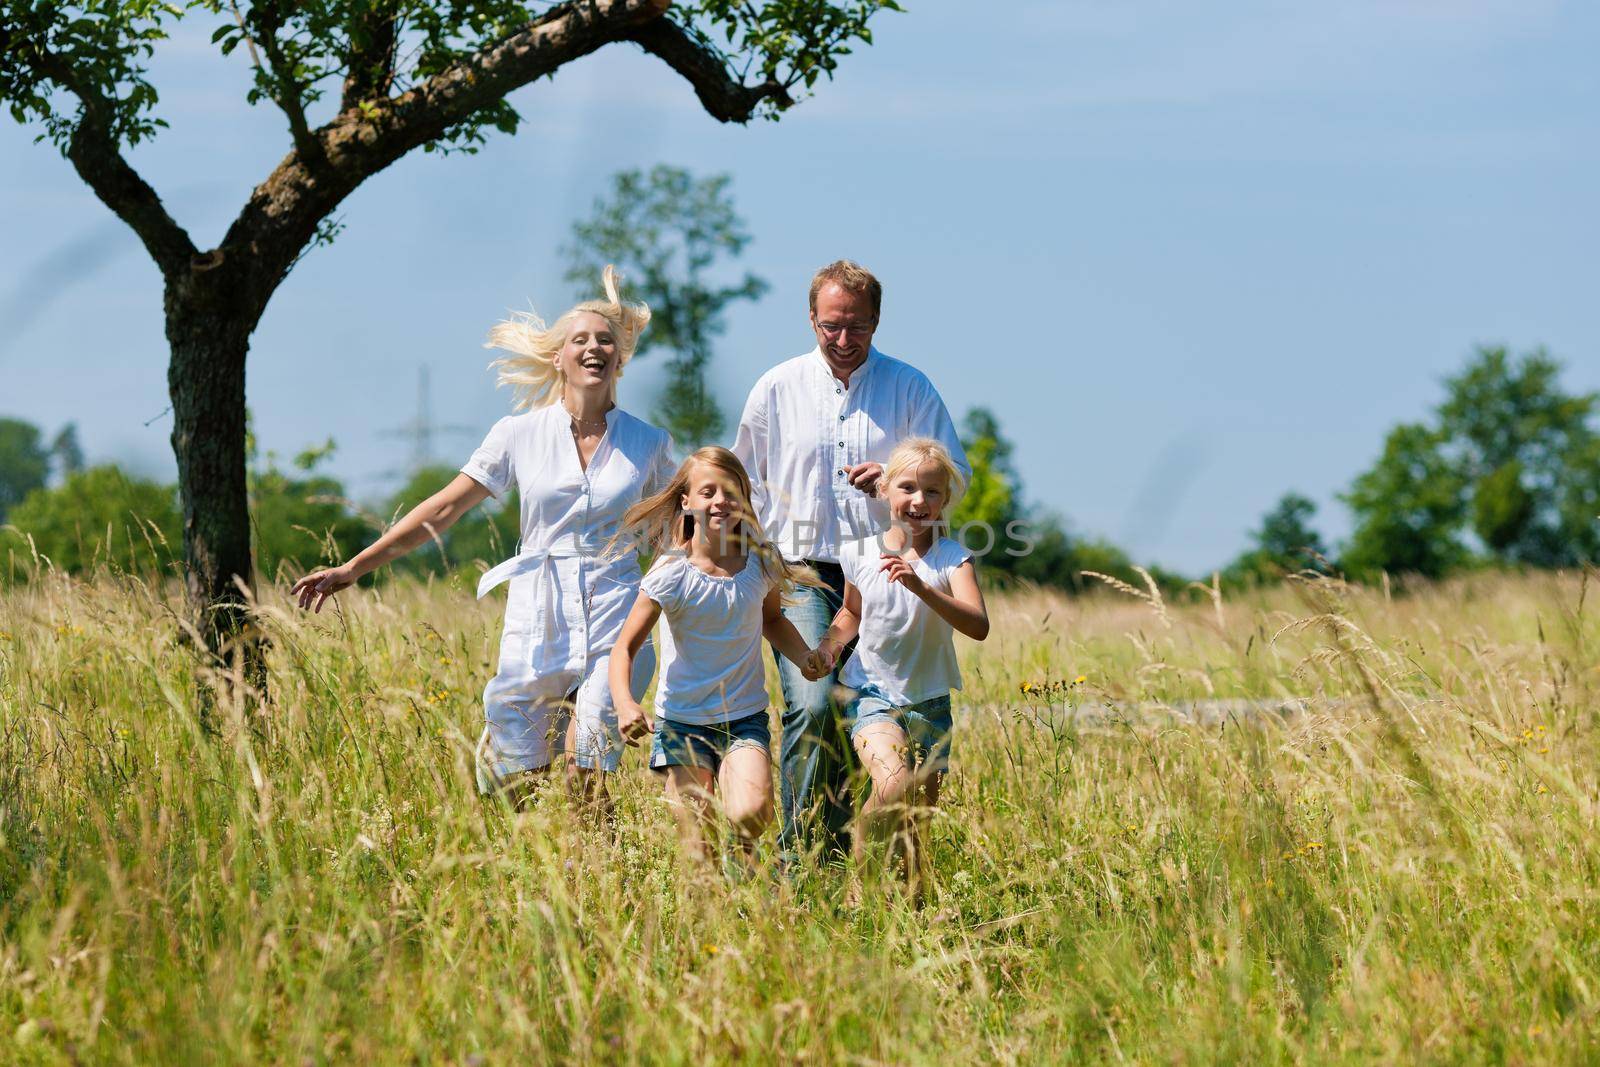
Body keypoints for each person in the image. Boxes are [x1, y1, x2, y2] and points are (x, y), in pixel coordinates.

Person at [291, 266, 674, 809]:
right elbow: (444, 508)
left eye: (605, 340)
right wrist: (353, 569)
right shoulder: (518, 433)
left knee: (584, 762)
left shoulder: (650, 442)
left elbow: (676, 537)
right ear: (558, 357)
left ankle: (598, 878)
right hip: (538, 609)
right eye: (580, 340)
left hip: (615, 607)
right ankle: (546, 877)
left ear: (619, 358)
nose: (594, 348)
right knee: (522, 784)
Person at [732, 260, 970, 863]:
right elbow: (744, 481)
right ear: (812, 318)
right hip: (801, 575)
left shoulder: (910, 387)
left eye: (857, 327)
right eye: (831, 326)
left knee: (871, 713)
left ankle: (851, 857)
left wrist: (896, 479)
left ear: (877, 321)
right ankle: (802, 863)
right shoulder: (777, 387)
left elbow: (954, 473)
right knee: (813, 705)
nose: (843, 339)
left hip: (887, 576)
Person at [608, 447, 826, 872]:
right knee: (697, 848)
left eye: (731, 491)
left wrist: (804, 656)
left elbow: (773, 620)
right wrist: (625, 704)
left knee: (751, 812)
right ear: (686, 501)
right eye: (708, 492)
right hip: (683, 722)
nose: (720, 501)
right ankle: (720, 912)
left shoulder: (759, 564)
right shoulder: (670, 573)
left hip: (742, 718)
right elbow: (624, 648)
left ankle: (742, 861)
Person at [808, 438, 989, 893]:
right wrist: (827, 649)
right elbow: (851, 613)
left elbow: (979, 625)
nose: (919, 501)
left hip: (929, 703)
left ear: (945, 500)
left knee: (915, 830)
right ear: (885, 490)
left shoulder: (953, 559)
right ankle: (859, 889)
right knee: (893, 783)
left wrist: (923, 587)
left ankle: (912, 920)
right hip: (870, 695)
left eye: (932, 491)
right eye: (907, 487)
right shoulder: (860, 553)